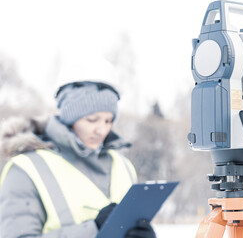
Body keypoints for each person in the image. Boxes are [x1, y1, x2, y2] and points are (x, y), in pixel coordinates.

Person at [0, 60, 156, 237]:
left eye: (108, 120)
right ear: (69, 117)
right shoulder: (26, 169)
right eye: (92, 119)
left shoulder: (123, 166)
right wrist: (93, 230)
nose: (101, 129)